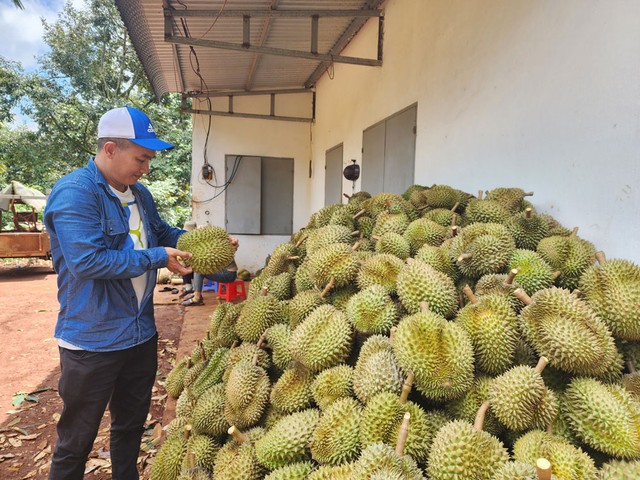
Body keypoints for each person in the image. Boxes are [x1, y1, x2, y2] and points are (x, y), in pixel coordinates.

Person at [44, 106, 193, 480]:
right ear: (110, 148)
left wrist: (199, 243)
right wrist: (159, 257)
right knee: (76, 441)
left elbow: (161, 233)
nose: (146, 168)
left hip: (139, 335)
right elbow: (88, 262)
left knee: (129, 430)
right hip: (93, 341)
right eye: (141, 158)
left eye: (149, 160)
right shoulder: (74, 193)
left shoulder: (139, 195)